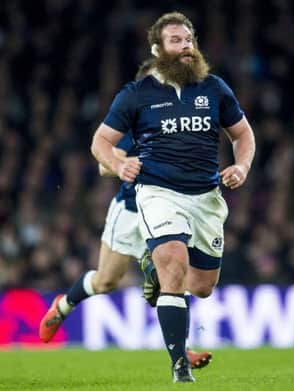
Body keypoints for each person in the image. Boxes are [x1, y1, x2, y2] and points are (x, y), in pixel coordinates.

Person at [90, 11, 256, 383]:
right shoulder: (136, 95)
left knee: (202, 286)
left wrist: (242, 166)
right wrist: (119, 167)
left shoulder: (214, 88)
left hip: (206, 197)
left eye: (190, 40)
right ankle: (179, 364)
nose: (186, 47)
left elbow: (243, 135)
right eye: (177, 41)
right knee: (173, 266)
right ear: (158, 49)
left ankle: (155, 267)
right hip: (158, 192)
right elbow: (100, 142)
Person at [38, 69, 213, 371]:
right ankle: (63, 305)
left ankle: (182, 351)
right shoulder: (135, 123)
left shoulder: (182, 122)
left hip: (170, 210)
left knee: (176, 271)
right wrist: (122, 164)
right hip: (131, 211)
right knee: (106, 280)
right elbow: (105, 164)